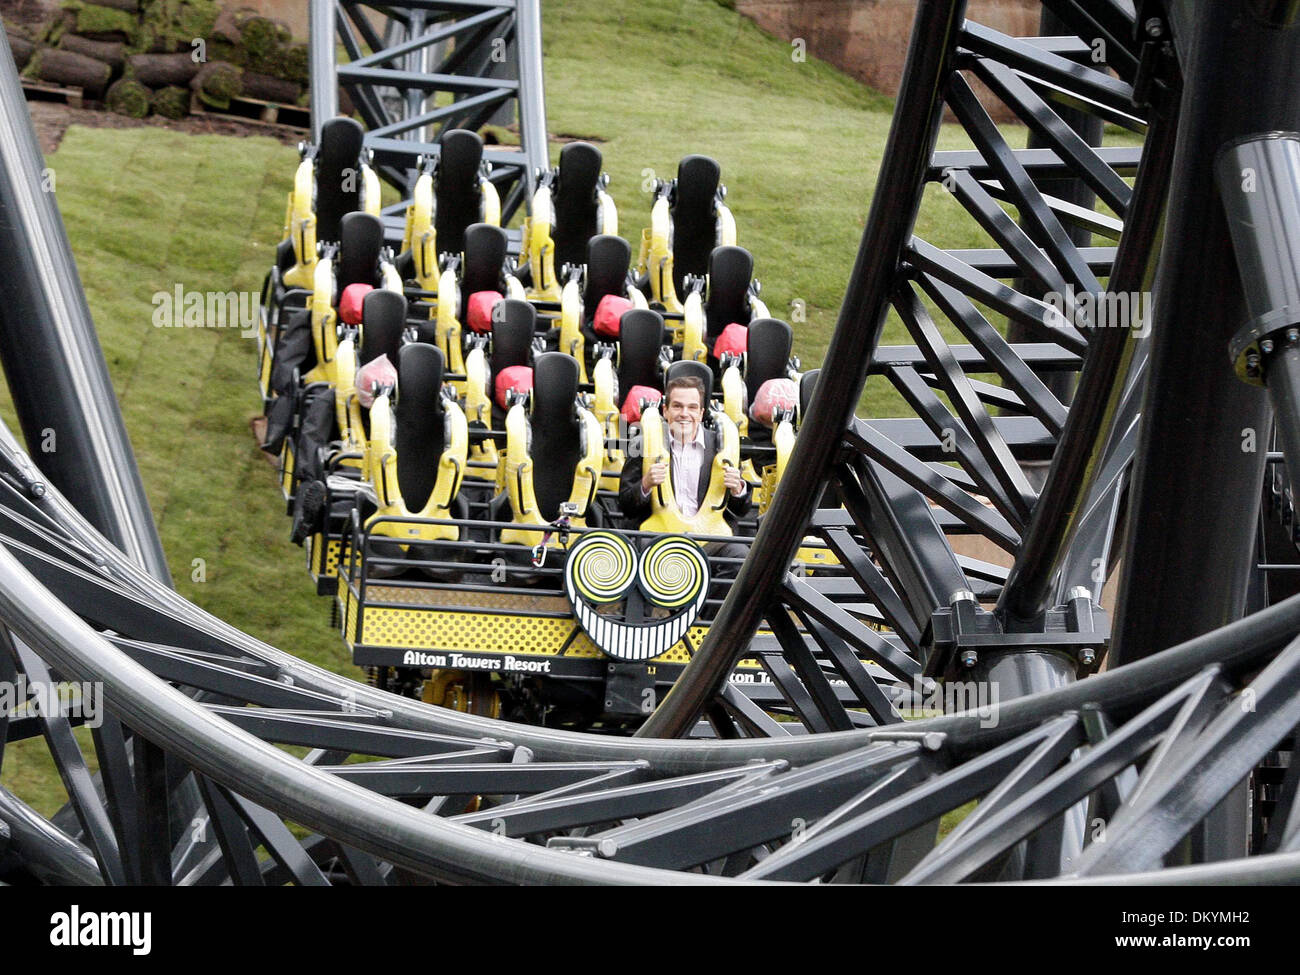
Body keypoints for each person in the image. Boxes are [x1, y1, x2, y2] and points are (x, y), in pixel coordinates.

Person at [619, 375, 751, 590]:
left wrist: (738, 489)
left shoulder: (721, 446)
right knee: (639, 553)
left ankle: (714, 622)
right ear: (666, 411)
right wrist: (645, 484)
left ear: (701, 413)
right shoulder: (644, 444)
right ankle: (647, 623)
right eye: (677, 406)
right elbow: (625, 505)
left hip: (710, 538)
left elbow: (742, 509)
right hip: (658, 536)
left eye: (692, 407)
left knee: (739, 558)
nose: (684, 414)